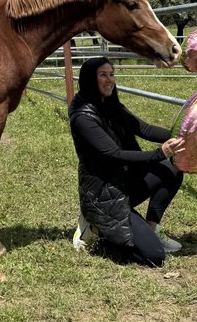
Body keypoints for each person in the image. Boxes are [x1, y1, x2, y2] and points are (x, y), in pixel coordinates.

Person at [68, 56, 187, 267]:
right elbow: (114, 154)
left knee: (173, 168)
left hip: (125, 182)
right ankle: (93, 225)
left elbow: (144, 129)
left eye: (111, 74)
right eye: (103, 75)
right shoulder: (83, 117)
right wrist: (160, 153)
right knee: (154, 256)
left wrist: (182, 136)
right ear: (89, 80)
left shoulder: (110, 105)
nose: (109, 80)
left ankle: (151, 228)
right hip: (104, 195)